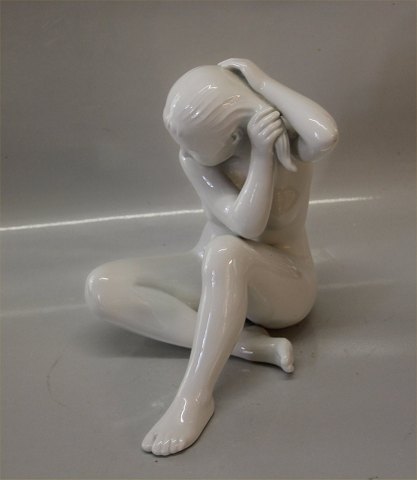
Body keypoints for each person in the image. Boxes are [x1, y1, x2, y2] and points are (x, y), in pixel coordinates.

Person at [85, 58, 338, 456]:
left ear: (234, 136)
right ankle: (244, 345)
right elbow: (241, 221)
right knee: (103, 286)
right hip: (212, 265)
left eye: (192, 143)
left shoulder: (286, 143)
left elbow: (324, 136)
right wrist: (255, 155)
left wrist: (261, 83)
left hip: (284, 282)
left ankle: (194, 397)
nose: (184, 152)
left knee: (227, 252)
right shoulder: (192, 158)